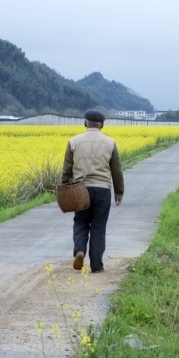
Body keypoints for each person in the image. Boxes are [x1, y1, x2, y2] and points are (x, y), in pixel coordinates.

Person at [61, 110, 124, 273]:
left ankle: (80, 251)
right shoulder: (110, 143)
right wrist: (119, 192)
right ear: (102, 125)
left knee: (81, 222)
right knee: (98, 226)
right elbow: (116, 170)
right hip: (102, 189)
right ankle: (96, 265)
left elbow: (67, 169)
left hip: (80, 190)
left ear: (84, 123)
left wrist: (64, 188)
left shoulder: (74, 141)